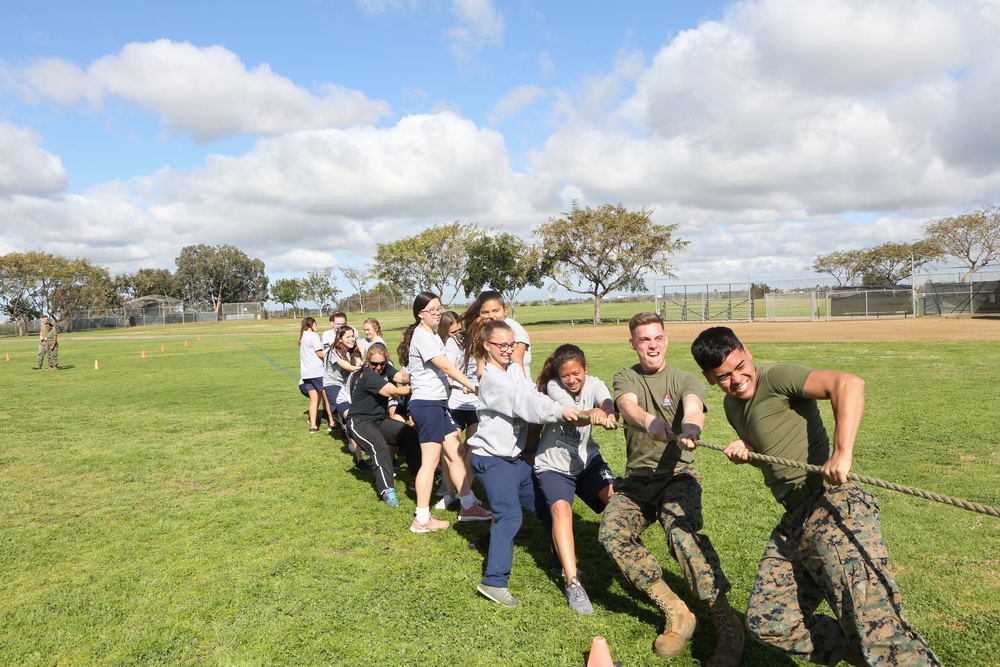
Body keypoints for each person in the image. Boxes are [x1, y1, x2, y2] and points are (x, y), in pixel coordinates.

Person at [691, 326, 940, 667]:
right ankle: (868, 652)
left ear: (746, 350)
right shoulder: (731, 407)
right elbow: (776, 456)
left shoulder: (777, 377)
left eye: (740, 366)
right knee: (769, 621)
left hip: (833, 506)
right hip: (795, 520)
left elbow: (849, 384)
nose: (737, 379)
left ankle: (881, 650)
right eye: (724, 376)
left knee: (879, 631)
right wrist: (749, 452)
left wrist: (841, 452)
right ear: (708, 377)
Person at [598, 312, 743, 666]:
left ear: (666, 340)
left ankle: (727, 625)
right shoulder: (625, 376)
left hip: (679, 476)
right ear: (632, 343)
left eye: (657, 338)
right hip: (636, 480)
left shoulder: (685, 379)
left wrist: (690, 427)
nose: (652, 345)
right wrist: (651, 423)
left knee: (681, 535)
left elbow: (694, 407)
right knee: (611, 533)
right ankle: (678, 611)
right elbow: (628, 406)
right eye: (644, 339)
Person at [468, 319, 582, 608]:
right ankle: (493, 582)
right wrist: (560, 412)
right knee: (509, 516)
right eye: (501, 345)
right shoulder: (492, 380)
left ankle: (561, 565)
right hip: (492, 459)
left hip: (514, 459)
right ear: (486, 346)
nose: (507, 350)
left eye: (511, 344)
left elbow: (531, 393)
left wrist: (562, 406)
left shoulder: (513, 370)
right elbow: (524, 404)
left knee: (546, 508)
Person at [398, 291, 493, 533]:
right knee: (429, 463)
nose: (437, 313)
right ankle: (421, 518)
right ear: (420, 314)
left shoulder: (431, 335)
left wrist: (458, 386)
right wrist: (473, 386)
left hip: (438, 403)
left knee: (456, 453)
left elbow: (437, 374)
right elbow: (447, 366)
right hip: (427, 405)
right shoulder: (423, 336)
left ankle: (468, 505)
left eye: (439, 308)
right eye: (432, 310)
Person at [533, 344, 617, 614]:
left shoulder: (594, 384)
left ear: (586, 368)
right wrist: (591, 415)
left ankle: (631, 562)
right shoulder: (554, 387)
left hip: (587, 462)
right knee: (561, 509)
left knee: (619, 503)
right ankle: (573, 582)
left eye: (576, 373)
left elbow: (606, 401)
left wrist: (608, 412)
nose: (572, 380)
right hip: (553, 466)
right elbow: (574, 415)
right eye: (566, 374)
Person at [347, 343, 421, 508]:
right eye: (374, 364)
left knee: (408, 434)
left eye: (382, 363)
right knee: (378, 445)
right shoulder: (368, 375)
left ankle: (418, 478)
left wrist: (420, 376)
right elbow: (393, 391)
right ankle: (387, 490)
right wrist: (421, 386)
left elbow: (401, 378)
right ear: (368, 362)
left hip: (379, 420)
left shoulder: (384, 368)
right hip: (359, 421)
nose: (379, 367)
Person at [435, 311, 481, 510]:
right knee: (451, 450)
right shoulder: (449, 345)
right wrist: (457, 382)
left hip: (477, 404)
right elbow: (449, 367)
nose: (458, 334)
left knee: (473, 445)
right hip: (455, 403)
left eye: (460, 329)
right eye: (453, 332)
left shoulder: (480, 341)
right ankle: (450, 492)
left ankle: (466, 492)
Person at [463, 290, 531, 378]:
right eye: (485, 312)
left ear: (505, 310)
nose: (491, 316)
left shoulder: (513, 329)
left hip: (516, 386)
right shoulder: (483, 331)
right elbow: (481, 370)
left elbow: (517, 365)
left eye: (496, 311)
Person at [298, 317, 325, 434]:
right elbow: (319, 353)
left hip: (306, 373)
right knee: (326, 397)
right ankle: (333, 422)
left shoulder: (303, 336)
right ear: (313, 324)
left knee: (314, 399)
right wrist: (333, 355)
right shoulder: (313, 336)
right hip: (317, 371)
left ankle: (313, 425)